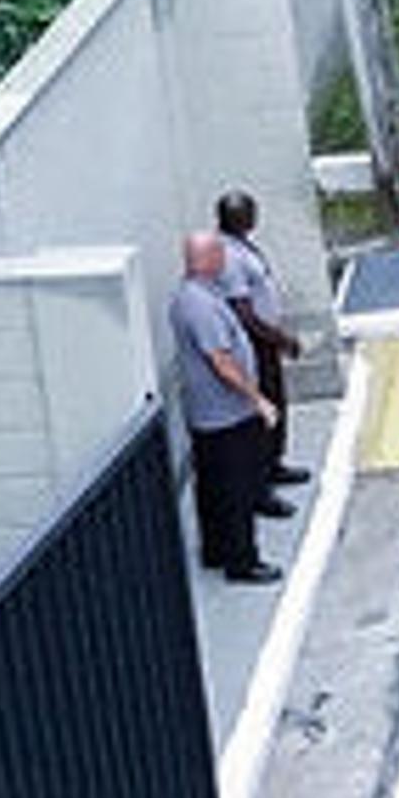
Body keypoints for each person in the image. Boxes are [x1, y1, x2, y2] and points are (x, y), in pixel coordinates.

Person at [170, 232, 283, 584]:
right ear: (204, 260)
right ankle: (242, 560)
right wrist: (257, 399)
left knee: (214, 485)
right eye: (218, 254)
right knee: (236, 487)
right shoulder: (201, 306)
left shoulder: (193, 296)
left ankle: (217, 548)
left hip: (210, 415)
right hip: (226, 415)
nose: (224, 260)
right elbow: (221, 361)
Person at [214, 188, 311, 503]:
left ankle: (274, 464)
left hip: (265, 341)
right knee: (264, 409)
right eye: (250, 212)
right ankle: (260, 488)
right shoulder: (229, 257)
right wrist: (279, 339)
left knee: (277, 403)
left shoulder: (241, 246)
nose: (256, 217)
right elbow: (243, 312)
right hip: (255, 346)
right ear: (238, 219)